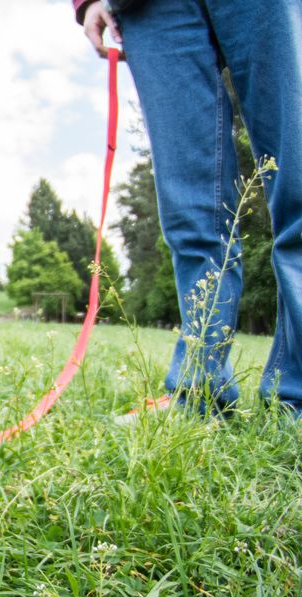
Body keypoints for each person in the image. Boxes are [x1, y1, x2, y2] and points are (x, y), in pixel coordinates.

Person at [75, 0, 302, 418]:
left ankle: (298, 399)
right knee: (191, 214)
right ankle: (199, 396)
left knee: (298, 189)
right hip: (151, 8)